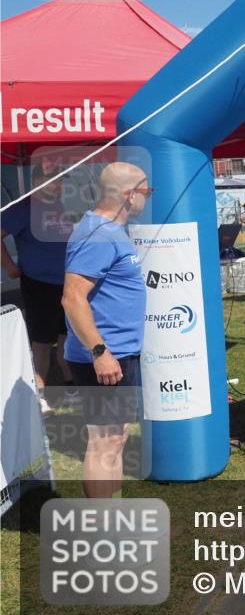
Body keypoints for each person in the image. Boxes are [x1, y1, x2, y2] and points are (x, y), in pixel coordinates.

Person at [62, 162, 150, 498]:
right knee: (104, 442)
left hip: (119, 352)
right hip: (105, 356)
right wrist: (100, 353)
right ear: (129, 196)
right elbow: (72, 298)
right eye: (146, 191)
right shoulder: (97, 235)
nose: (148, 197)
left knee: (117, 436)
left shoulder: (110, 230)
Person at [1, 165, 77, 414]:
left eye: (60, 180)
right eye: (50, 180)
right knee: (42, 342)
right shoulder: (23, 209)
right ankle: (39, 395)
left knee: (68, 338)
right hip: (39, 285)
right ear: (36, 182)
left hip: (68, 284)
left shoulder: (65, 208)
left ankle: (71, 387)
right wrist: (10, 266)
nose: (56, 185)